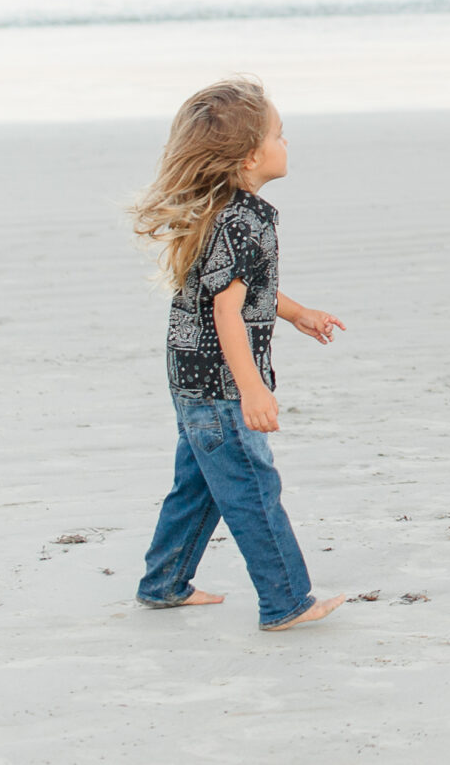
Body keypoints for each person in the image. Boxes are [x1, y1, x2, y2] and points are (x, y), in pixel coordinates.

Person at [128, 79, 350, 630]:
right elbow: (229, 312)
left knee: (200, 482)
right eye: (279, 134)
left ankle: (164, 583)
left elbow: (241, 290)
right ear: (252, 155)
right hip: (221, 384)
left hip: (188, 373)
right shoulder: (245, 221)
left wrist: (296, 314)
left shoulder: (220, 211)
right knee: (252, 487)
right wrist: (252, 388)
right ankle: (286, 602)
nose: (286, 143)